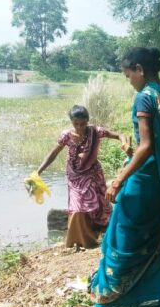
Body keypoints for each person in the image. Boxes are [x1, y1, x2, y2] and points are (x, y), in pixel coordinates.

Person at [71, 47, 160, 307]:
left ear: (140, 69)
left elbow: (146, 146)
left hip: (141, 184)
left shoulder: (145, 98)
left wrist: (118, 180)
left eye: (128, 74)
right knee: (152, 239)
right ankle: (158, 306)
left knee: (121, 239)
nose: (128, 80)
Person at [36, 105, 130, 249]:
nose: (79, 127)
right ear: (71, 122)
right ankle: (81, 241)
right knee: (77, 208)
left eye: (83, 124)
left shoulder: (95, 132)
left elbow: (118, 135)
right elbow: (53, 153)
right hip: (75, 178)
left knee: (98, 206)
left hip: (93, 175)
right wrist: (39, 171)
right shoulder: (66, 136)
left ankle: (99, 235)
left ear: (87, 121)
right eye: (76, 124)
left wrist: (124, 143)